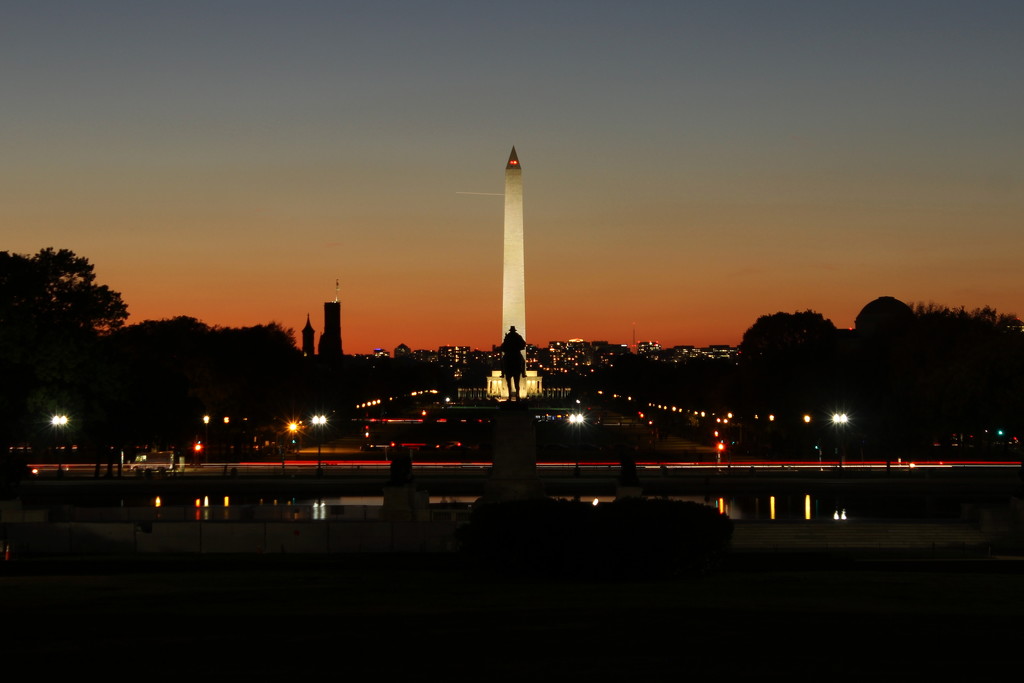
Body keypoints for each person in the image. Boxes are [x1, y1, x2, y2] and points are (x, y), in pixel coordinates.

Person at [500, 326, 526, 401]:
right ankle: (523, 373)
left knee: (503, 361)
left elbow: (503, 346)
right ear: (514, 330)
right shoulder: (518, 336)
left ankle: (502, 372)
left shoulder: (508, 336)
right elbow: (523, 343)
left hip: (509, 353)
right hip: (516, 353)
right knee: (522, 361)